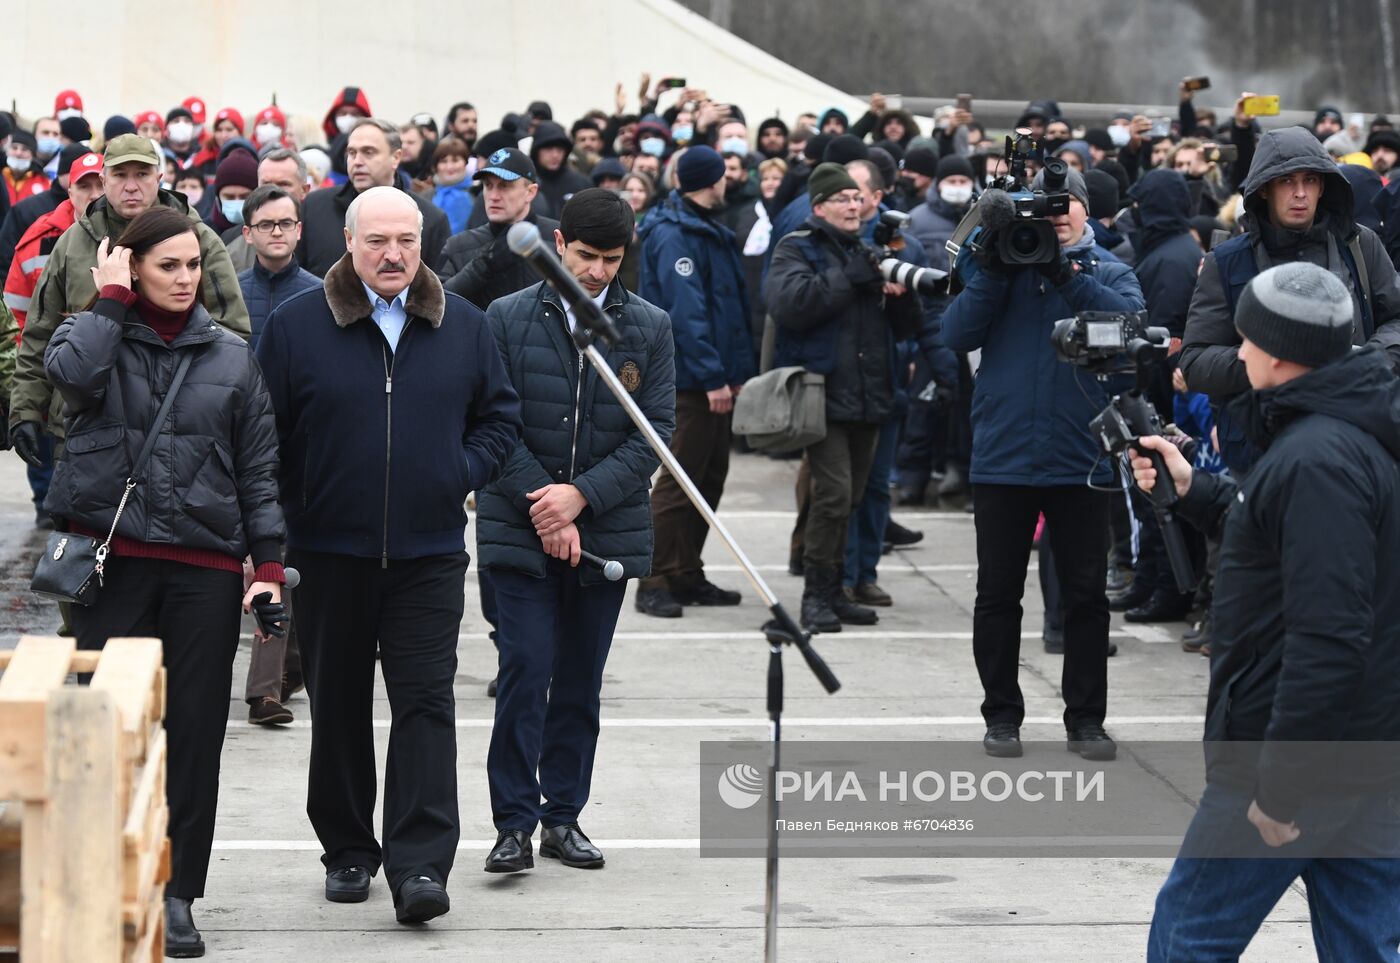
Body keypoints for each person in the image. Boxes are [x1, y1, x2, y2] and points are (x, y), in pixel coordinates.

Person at [256, 185, 520, 925]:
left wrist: (457, 474)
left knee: (426, 704)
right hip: (327, 551)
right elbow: (262, 435)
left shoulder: (463, 326)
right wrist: (280, 527)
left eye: (406, 239)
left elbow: (499, 419)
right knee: (338, 700)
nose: (394, 253)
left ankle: (420, 866)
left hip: (428, 553)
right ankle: (347, 847)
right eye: (377, 241)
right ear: (347, 242)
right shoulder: (295, 326)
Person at [1137, 262, 1400, 961]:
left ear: (1280, 352)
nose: (1235, 351)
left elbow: (1329, 637)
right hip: (1360, 752)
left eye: (1245, 337)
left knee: (1189, 937)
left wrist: (1281, 788)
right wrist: (1197, 491)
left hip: (1290, 755)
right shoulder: (1339, 431)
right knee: (1366, 944)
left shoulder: (1319, 457)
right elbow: (1282, 531)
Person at [43, 205, 286, 958]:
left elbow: (258, 470)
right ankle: (103, 879)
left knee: (196, 737)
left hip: (205, 572)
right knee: (104, 732)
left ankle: (178, 891)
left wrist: (268, 566)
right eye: (166, 266)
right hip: (113, 565)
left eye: (192, 265)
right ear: (131, 266)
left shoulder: (231, 356)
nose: (185, 279)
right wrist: (109, 300)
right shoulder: (94, 337)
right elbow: (70, 379)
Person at [479, 188, 675, 874]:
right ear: (558, 243)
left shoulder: (648, 326)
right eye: (586, 256)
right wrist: (546, 504)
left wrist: (580, 498)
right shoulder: (505, 318)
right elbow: (491, 422)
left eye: (611, 260)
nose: (596, 271)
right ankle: (513, 823)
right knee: (526, 669)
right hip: (519, 526)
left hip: (604, 533)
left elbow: (653, 438)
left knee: (580, 683)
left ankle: (563, 815)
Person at [940, 166, 1146, 761]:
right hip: (1003, 457)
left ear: (1087, 213)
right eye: (1045, 209)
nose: (1057, 217)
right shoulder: (992, 266)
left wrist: (1063, 272)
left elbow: (1125, 331)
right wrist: (995, 273)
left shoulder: (1109, 270)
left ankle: (1086, 721)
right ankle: (1001, 715)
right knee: (997, 595)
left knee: (1086, 596)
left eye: (1068, 206)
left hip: (1081, 458)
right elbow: (955, 333)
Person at [9, 134, 250, 474]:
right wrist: (26, 410)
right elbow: (40, 334)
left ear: (160, 179)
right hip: (86, 426)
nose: (131, 186)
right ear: (103, 180)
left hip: (174, 429)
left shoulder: (198, 240)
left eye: (142, 174)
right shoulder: (73, 244)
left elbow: (232, 331)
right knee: (84, 523)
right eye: (120, 175)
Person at [1179, 126, 1400, 476]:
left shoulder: (1359, 244)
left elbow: (1396, 320)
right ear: (1265, 189)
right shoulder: (1227, 260)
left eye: (1310, 180)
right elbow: (1195, 361)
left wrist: (1369, 360)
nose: (1300, 193)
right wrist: (1275, 363)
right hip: (1260, 454)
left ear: (1323, 185)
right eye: (1286, 181)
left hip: (1352, 438)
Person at [765, 163, 923, 631]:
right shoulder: (796, 248)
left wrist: (901, 298)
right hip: (823, 393)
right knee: (832, 495)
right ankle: (816, 595)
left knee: (852, 496)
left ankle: (835, 591)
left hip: (870, 394)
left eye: (858, 199)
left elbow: (907, 328)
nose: (855, 206)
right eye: (843, 199)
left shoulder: (869, 250)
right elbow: (789, 305)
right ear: (819, 207)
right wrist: (848, 278)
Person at [634, 146, 754, 617]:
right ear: (711, 179)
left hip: (715, 377)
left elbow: (728, 309)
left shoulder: (706, 230)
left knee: (708, 477)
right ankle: (655, 578)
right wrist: (711, 377)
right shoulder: (673, 234)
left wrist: (734, 373)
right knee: (679, 479)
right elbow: (687, 316)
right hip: (690, 381)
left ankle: (686, 571)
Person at [298, 118, 449, 276]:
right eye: (352, 153)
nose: (357, 161)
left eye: (368, 152)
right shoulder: (313, 207)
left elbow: (434, 291)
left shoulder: (431, 219)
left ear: (396, 158)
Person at [438, 146, 559, 310]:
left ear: (530, 192)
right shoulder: (458, 245)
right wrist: (483, 266)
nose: (493, 196)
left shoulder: (557, 237)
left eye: (504, 186)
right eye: (488, 185)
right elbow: (438, 304)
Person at [530, 121, 591, 220]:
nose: (555, 155)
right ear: (536, 151)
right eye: (548, 149)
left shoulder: (582, 183)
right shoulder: (526, 184)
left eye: (560, 149)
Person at [427, 137, 473, 234]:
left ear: (465, 162)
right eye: (444, 161)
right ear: (436, 166)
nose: (450, 167)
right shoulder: (425, 197)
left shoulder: (475, 194)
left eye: (455, 160)